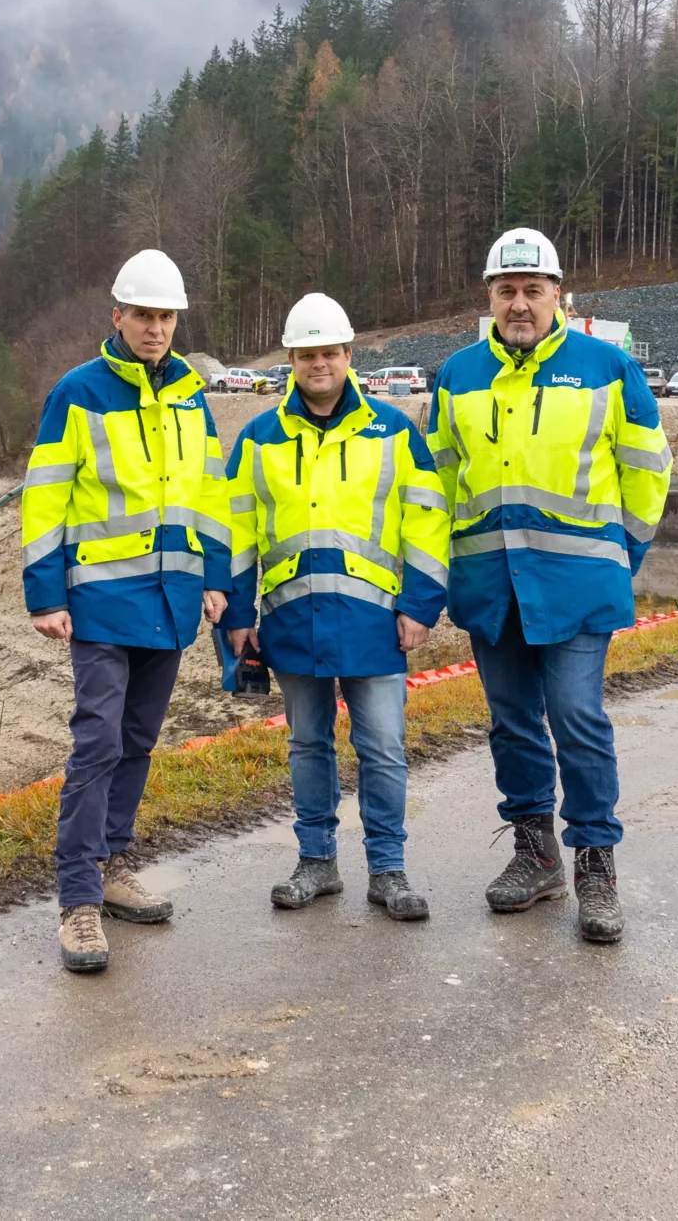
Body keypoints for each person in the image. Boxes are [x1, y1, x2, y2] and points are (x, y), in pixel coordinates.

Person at [430, 228, 670, 945]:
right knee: (511, 722)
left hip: (577, 582)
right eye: (507, 290)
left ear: (559, 294)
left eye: (534, 289)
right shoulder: (457, 375)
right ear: (490, 296)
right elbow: (438, 482)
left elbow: (648, 470)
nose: (520, 303)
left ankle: (596, 860)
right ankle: (535, 854)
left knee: (575, 715)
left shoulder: (606, 367)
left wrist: (621, 554)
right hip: (489, 583)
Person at [19, 248, 231, 974]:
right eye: (143, 314)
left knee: (139, 738)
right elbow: (45, 495)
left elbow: (209, 493)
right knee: (98, 740)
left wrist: (215, 574)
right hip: (103, 602)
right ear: (118, 316)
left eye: (166, 316)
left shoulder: (191, 396)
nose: (155, 327)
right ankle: (78, 897)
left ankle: (112, 862)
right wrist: (45, 592)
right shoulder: (77, 392)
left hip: (172, 599)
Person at [218, 292, 449, 921]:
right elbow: (236, 534)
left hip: (375, 622)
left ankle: (388, 870)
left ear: (349, 355)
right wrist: (239, 616)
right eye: (307, 354)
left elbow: (426, 524)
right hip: (292, 621)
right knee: (308, 745)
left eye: (330, 352)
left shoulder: (395, 431)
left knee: (381, 746)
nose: (319, 364)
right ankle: (316, 862)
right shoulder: (259, 438)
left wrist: (421, 606)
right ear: (291, 359)